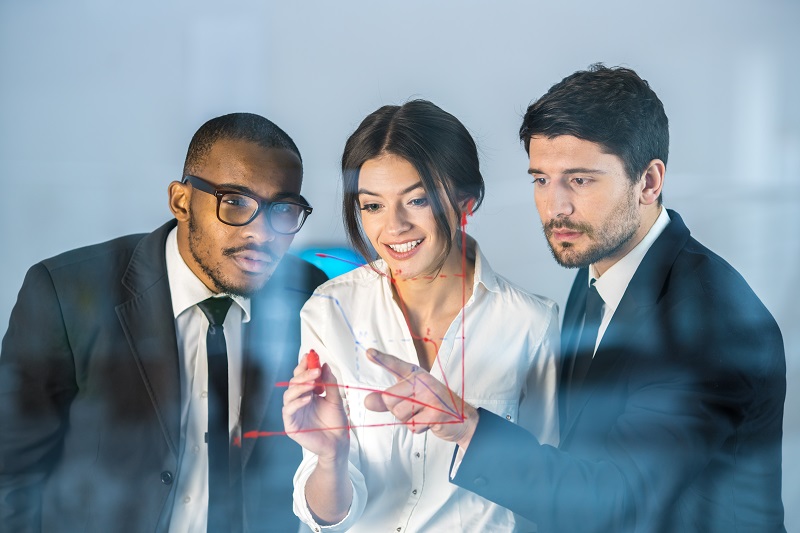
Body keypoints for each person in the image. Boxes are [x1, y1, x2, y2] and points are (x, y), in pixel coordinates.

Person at [361, 66, 787, 532]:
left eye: (580, 180)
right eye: (541, 179)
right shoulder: (599, 272)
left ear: (648, 182)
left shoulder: (708, 320)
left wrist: (468, 426)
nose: (555, 206)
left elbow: (615, 499)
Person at [0, 113, 328, 532]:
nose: (262, 234)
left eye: (283, 209)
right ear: (181, 201)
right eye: (236, 202)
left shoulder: (309, 296)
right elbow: (13, 470)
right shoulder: (67, 292)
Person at [281, 99, 559, 532]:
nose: (393, 227)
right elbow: (326, 518)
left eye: (417, 200)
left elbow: (549, 494)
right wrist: (330, 458)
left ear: (466, 201)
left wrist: (469, 425)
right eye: (372, 206)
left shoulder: (531, 324)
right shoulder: (330, 310)